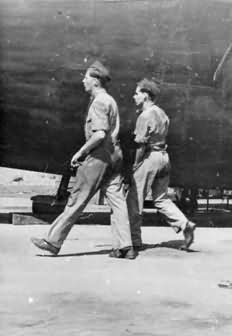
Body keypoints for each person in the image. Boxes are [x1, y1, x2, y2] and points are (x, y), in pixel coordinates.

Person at [31, 61, 134, 258]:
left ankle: (52, 242)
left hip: (99, 156)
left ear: (95, 81)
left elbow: (100, 134)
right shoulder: (110, 100)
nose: (83, 81)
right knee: (117, 200)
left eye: (86, 77)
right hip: (115, 155)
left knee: (77, 199)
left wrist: (80, 152)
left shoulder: (99, 102)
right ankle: (125, 247)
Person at [126, 79, 196, 251]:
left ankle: (134, 241)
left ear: (145, 95)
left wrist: (135, 166)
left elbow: (141, 145)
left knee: (134, 200)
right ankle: (184, 223)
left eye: (136, 93)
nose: (134, 97)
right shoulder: (162, 113)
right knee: (161, 199)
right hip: (164, 158)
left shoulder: (144, 116)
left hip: (149, 158)